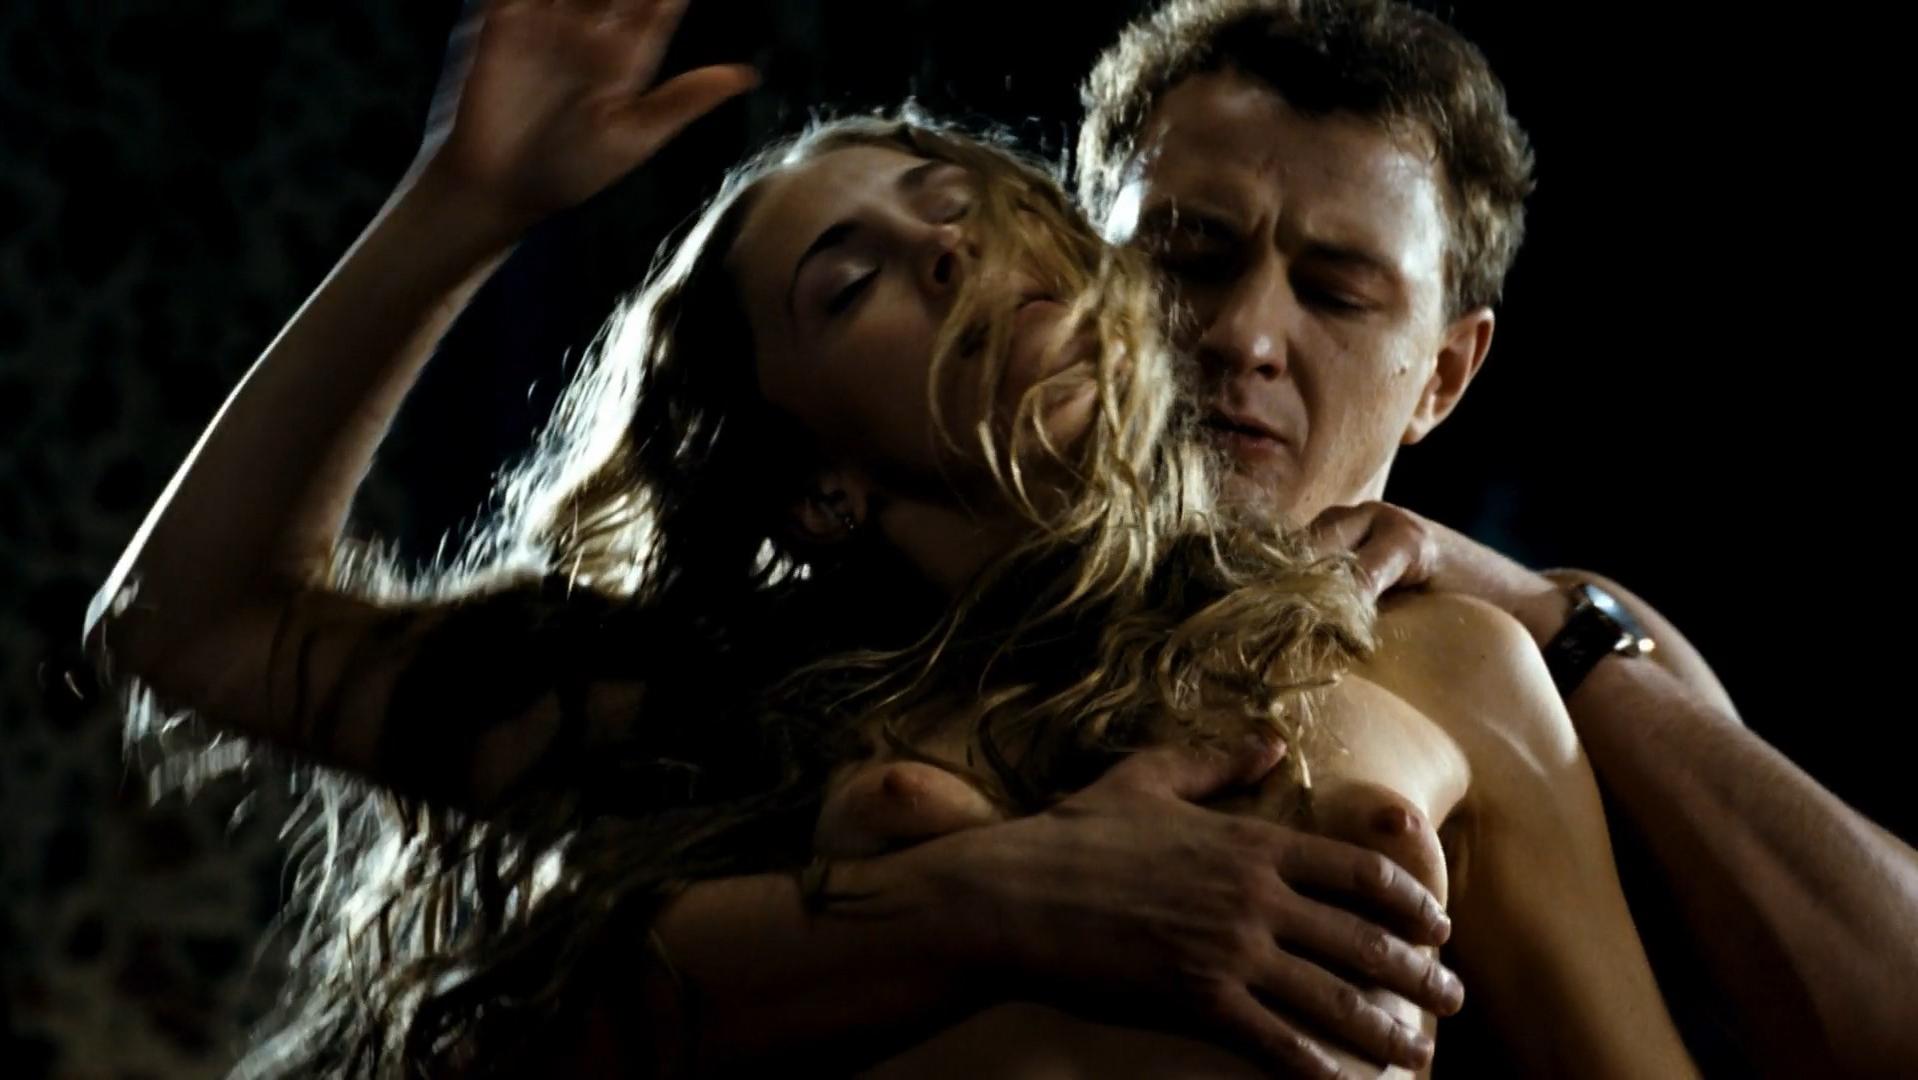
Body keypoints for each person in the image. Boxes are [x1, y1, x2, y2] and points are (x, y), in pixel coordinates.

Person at [86, 1, 1687, 1076]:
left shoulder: (1443, 663)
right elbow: (190, 629)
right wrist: (464, 202)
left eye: (966, 213)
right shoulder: (701, 707)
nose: (950, 256)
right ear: (815, 483)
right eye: (849, 283)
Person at [1073, 0, 1918, 1071]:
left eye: (1335, 293)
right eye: (1188, 255)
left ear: (1443, 374)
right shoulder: (918, 582)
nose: (1245, 335)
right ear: (1074, 271)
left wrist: (1551, 629)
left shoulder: (1568, 642)